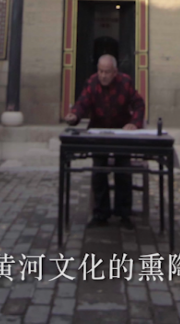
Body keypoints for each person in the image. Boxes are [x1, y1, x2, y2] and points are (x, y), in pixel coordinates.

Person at [64, 53, 145, 229]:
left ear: (115, 72)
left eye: (107, 72)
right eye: (100, 71)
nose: (103, 75)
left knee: (123, 171)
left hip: (121, 131)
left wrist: (134, 123)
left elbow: (139, 104)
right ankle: (100, 214)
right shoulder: (92, 82)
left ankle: (124, 214)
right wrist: (74, 116)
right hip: (99, 132)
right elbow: (82, 103)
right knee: (98, 171)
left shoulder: (125, 82)